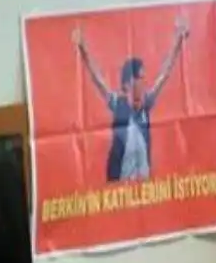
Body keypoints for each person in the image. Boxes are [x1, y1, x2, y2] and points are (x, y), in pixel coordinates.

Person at [72, 17, 189, 182]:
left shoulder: (146, 103)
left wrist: (177, 42)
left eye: (143, 78)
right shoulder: (117, 104)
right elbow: (97, 79)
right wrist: (83, 48)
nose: (143, 82)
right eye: (139, 78)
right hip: (120, 186)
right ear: (127, 85)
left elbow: (165, 74)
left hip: (144, 186)